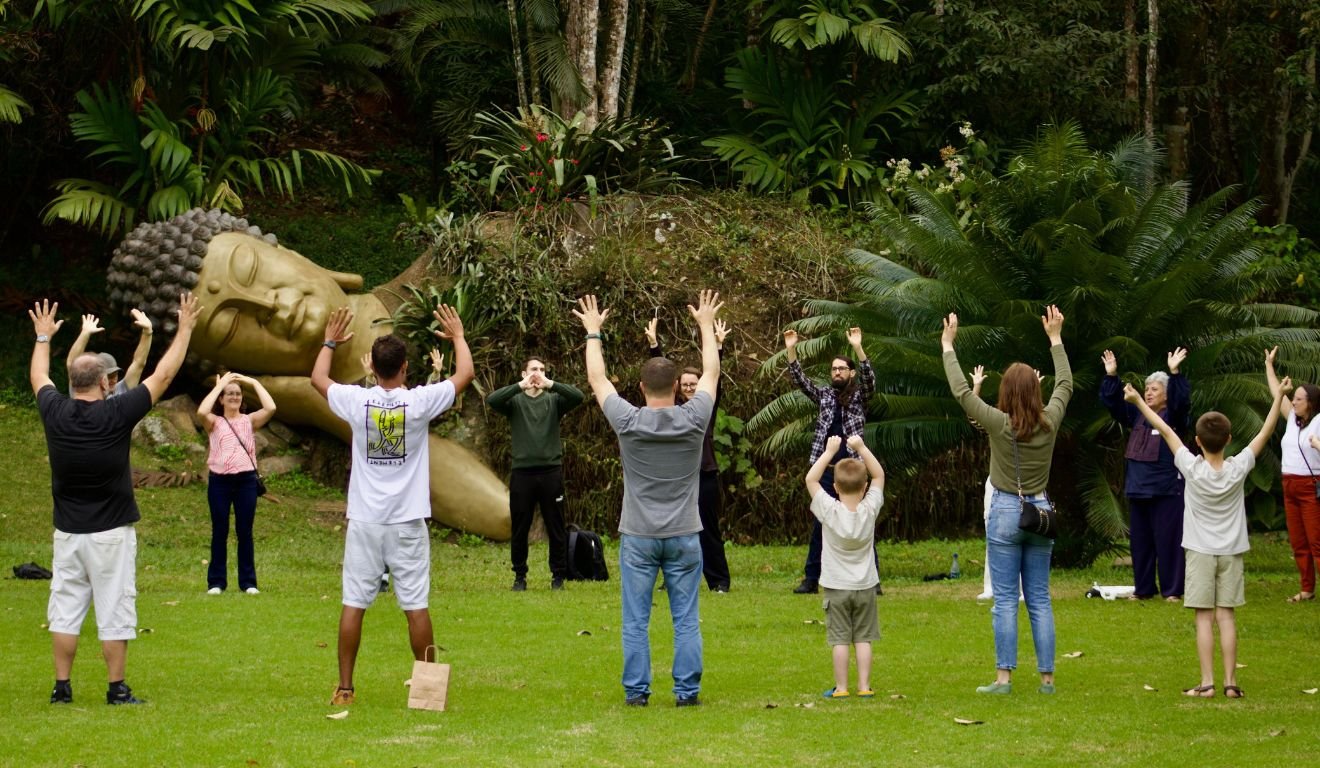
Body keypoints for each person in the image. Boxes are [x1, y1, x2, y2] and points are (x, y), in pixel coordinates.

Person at [105, 208, 509, 539]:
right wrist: (319, 409)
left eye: (250, 268)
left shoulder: (459, 262)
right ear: (233, 370)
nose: (269, 306)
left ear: (297, 256)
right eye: (232, 327)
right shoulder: (344, 402)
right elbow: (500, 514)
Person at [30, 294, 201, 705]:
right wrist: (186, 330)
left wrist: (42, 336)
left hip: (67, 534)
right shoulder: (117, 413)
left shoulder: (55, 411)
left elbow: (39, 375)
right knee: (115, 608)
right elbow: (161, 376)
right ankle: (116, 688)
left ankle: (62, 687)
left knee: (65, 609)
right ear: (105, 382)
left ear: (72, 383)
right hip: (110, 534)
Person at [312, 303, 473, 706]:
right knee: (415, 606)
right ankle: (428, 693)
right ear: (403, 368)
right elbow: (464, 375)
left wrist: (330, 339)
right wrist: (456, 335)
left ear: (375, 368)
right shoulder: (418, 402)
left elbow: (317, 377)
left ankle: (345, 689)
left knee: (354, 603)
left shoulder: (356, 401)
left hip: (366, 520)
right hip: (406, 521)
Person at [575, 290, 721, 707]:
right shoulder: (695, 418)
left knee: (635, 622)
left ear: (640, 388)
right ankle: (686, 693)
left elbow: (598, 381)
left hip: (639, 535)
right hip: (685, 535)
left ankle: (637, 694)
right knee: (686, 621)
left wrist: (593, 333)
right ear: (678, 386)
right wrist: (706, 325)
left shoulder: (628, 420)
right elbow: (710, 373)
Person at [1122, 378, 1287, 698]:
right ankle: (1230, 684)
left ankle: (1207, 682)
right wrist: (1278, 396)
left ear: (1197, 441)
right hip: (1231, 552)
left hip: (1199, 552)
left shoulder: (1190, 467)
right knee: (1226, 616)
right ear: (1228, 440)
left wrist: (1138, 403)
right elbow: (1264, 433)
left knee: (1203, 619)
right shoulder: (1238, 468)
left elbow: (1166, 431)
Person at [942, 306, 1071, 695]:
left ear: (1005, 393)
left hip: (1005, 511)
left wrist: (949, 346)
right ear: (1036, 390)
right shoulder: (1050, 421)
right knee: (1039, 599)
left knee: (1004, 601)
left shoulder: (999, 423)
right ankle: (1047, 679)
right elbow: (1065, 383)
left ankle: (1004, 679)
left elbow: (961, 393)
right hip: (1041, 511)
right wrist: (1055, 339)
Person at [783, 326, 876, 594]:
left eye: (842, 369)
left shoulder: (860, 395)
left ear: (851, 373)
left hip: (853, 468)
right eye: (834, 369)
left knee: (863, 520)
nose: (837, 372)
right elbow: (801, 381)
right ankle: (812, 578)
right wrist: (791, 350)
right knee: (820, 522)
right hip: (825, 469)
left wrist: (857, 347)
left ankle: (873, 579)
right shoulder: (823, 395)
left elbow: (870, 379)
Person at [646, 316, 732, 592]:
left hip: (704, 475)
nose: (690, 388)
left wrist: (718, 348)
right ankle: (673, 579)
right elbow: (660, 381)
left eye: (694, 384)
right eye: (685, 385)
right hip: (678, 476)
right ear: (678, 388)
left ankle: (718, 581)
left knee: (707, 529)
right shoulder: (675, 410)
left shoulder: (704, 410)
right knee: (673, 531)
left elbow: (714, 377)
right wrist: (654, 347)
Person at [1100, 348, 1191, 601]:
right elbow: (1114, 404)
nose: (1148, 392)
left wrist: (1175, 373)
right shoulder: (1136, 414)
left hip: (1166, 488)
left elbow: (1182, 401)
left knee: (1169, 542)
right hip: (1138, 487)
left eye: (1154, 389)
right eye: (1147, 388)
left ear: (1166, 394)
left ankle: (1173, 590)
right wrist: (1111, 376)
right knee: (1140, 543)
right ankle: (1143, 589)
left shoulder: (1174, 416)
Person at [487, 357, 585, 591]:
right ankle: (519, 577)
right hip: (522, 474)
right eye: (533, 370)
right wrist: (519, 386)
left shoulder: (554, 401)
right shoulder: (515, 401)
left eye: (542, 370)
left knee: (556, 526)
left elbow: (578, 397)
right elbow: (492, 400)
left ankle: (558, 576)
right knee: (520, 527)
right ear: (523, 374)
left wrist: (550, 383)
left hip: (551, 472)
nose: (538, 374)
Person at [805, 434, 884, 699]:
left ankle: (841, 687)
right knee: (863, 637)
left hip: (836, 587)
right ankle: (864, 686)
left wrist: (829, 452)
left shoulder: (829, 510)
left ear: (835, 487)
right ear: (864, 488)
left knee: (839, 639)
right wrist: (861, 447)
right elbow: (880, 476)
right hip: (865, 586)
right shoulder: (869, 509)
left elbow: (811, 479)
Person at [196, 371, 277, 595]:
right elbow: (202, 410)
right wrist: (220, 385)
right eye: (229, 394)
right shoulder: (214, 421)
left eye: (238, 394)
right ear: (221, 399)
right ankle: (216, 582)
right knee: (219, 531)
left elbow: (271, 408)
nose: (234, 397)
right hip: (219, 481)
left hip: (246, 481)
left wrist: (253, 382)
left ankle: (248, 582)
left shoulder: (249, 421)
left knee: (245, 531)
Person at [1265, 346, 1320, 603]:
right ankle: (1307, 589)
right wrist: (1269, 366)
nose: (1294, 401)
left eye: (1299, 398)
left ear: (1310, 402)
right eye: (1294, 398)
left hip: (1311, 486)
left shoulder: (1319, 422)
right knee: (1299, 543)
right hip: (1289, 485)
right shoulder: (1291, 421)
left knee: (1316, 542)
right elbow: (1277, 393)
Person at [968, 365, 1023, 603]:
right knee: (994, 532)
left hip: (1027, 485)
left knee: (1026, 534)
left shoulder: (1036, 422)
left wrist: (1035, 394)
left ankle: (1021, 589)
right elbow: (972, 414)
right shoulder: (996, 421)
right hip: (997, 484)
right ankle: (991, 586)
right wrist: (977, 386)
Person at [65, 310, 153, 398]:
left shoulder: (122, 390)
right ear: (97, 377)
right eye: (109, 376)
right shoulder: (82, 392)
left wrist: (147, 332)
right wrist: (85, 334)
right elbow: (71, 363)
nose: (113, 380)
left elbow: (138, 363)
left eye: (115, 375)